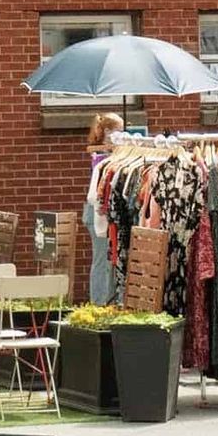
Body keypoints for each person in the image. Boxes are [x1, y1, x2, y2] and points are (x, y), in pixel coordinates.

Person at [83, 111, 124, 304]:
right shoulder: (100, 157)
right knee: (101, 260)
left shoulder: (104, 154)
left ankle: (106, 299)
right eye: (119, 131)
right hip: (96, 214)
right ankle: (98, 301)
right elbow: (95, 194)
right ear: (108, 132)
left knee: (106, 260)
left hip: (97, 214)